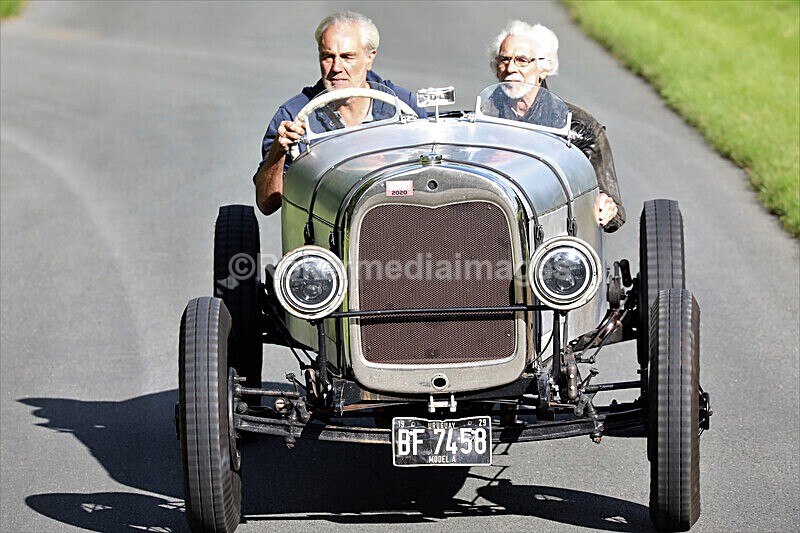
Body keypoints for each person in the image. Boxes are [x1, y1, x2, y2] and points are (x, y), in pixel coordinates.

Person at [254, 11, 426, 216]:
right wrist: (278, 152)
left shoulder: (402, 105)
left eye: (347, 57)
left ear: (369, 58)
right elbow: (267, 203)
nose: (336, 68)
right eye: (328, 57)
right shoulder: (293, 114)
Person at [488, 20, 626, 232]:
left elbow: (614, 210)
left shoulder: (581, 128)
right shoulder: (481, 121)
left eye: (522, 60)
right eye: (504, 60)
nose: (511, 68)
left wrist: (607, 208)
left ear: (544, 68)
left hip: (555, 232)